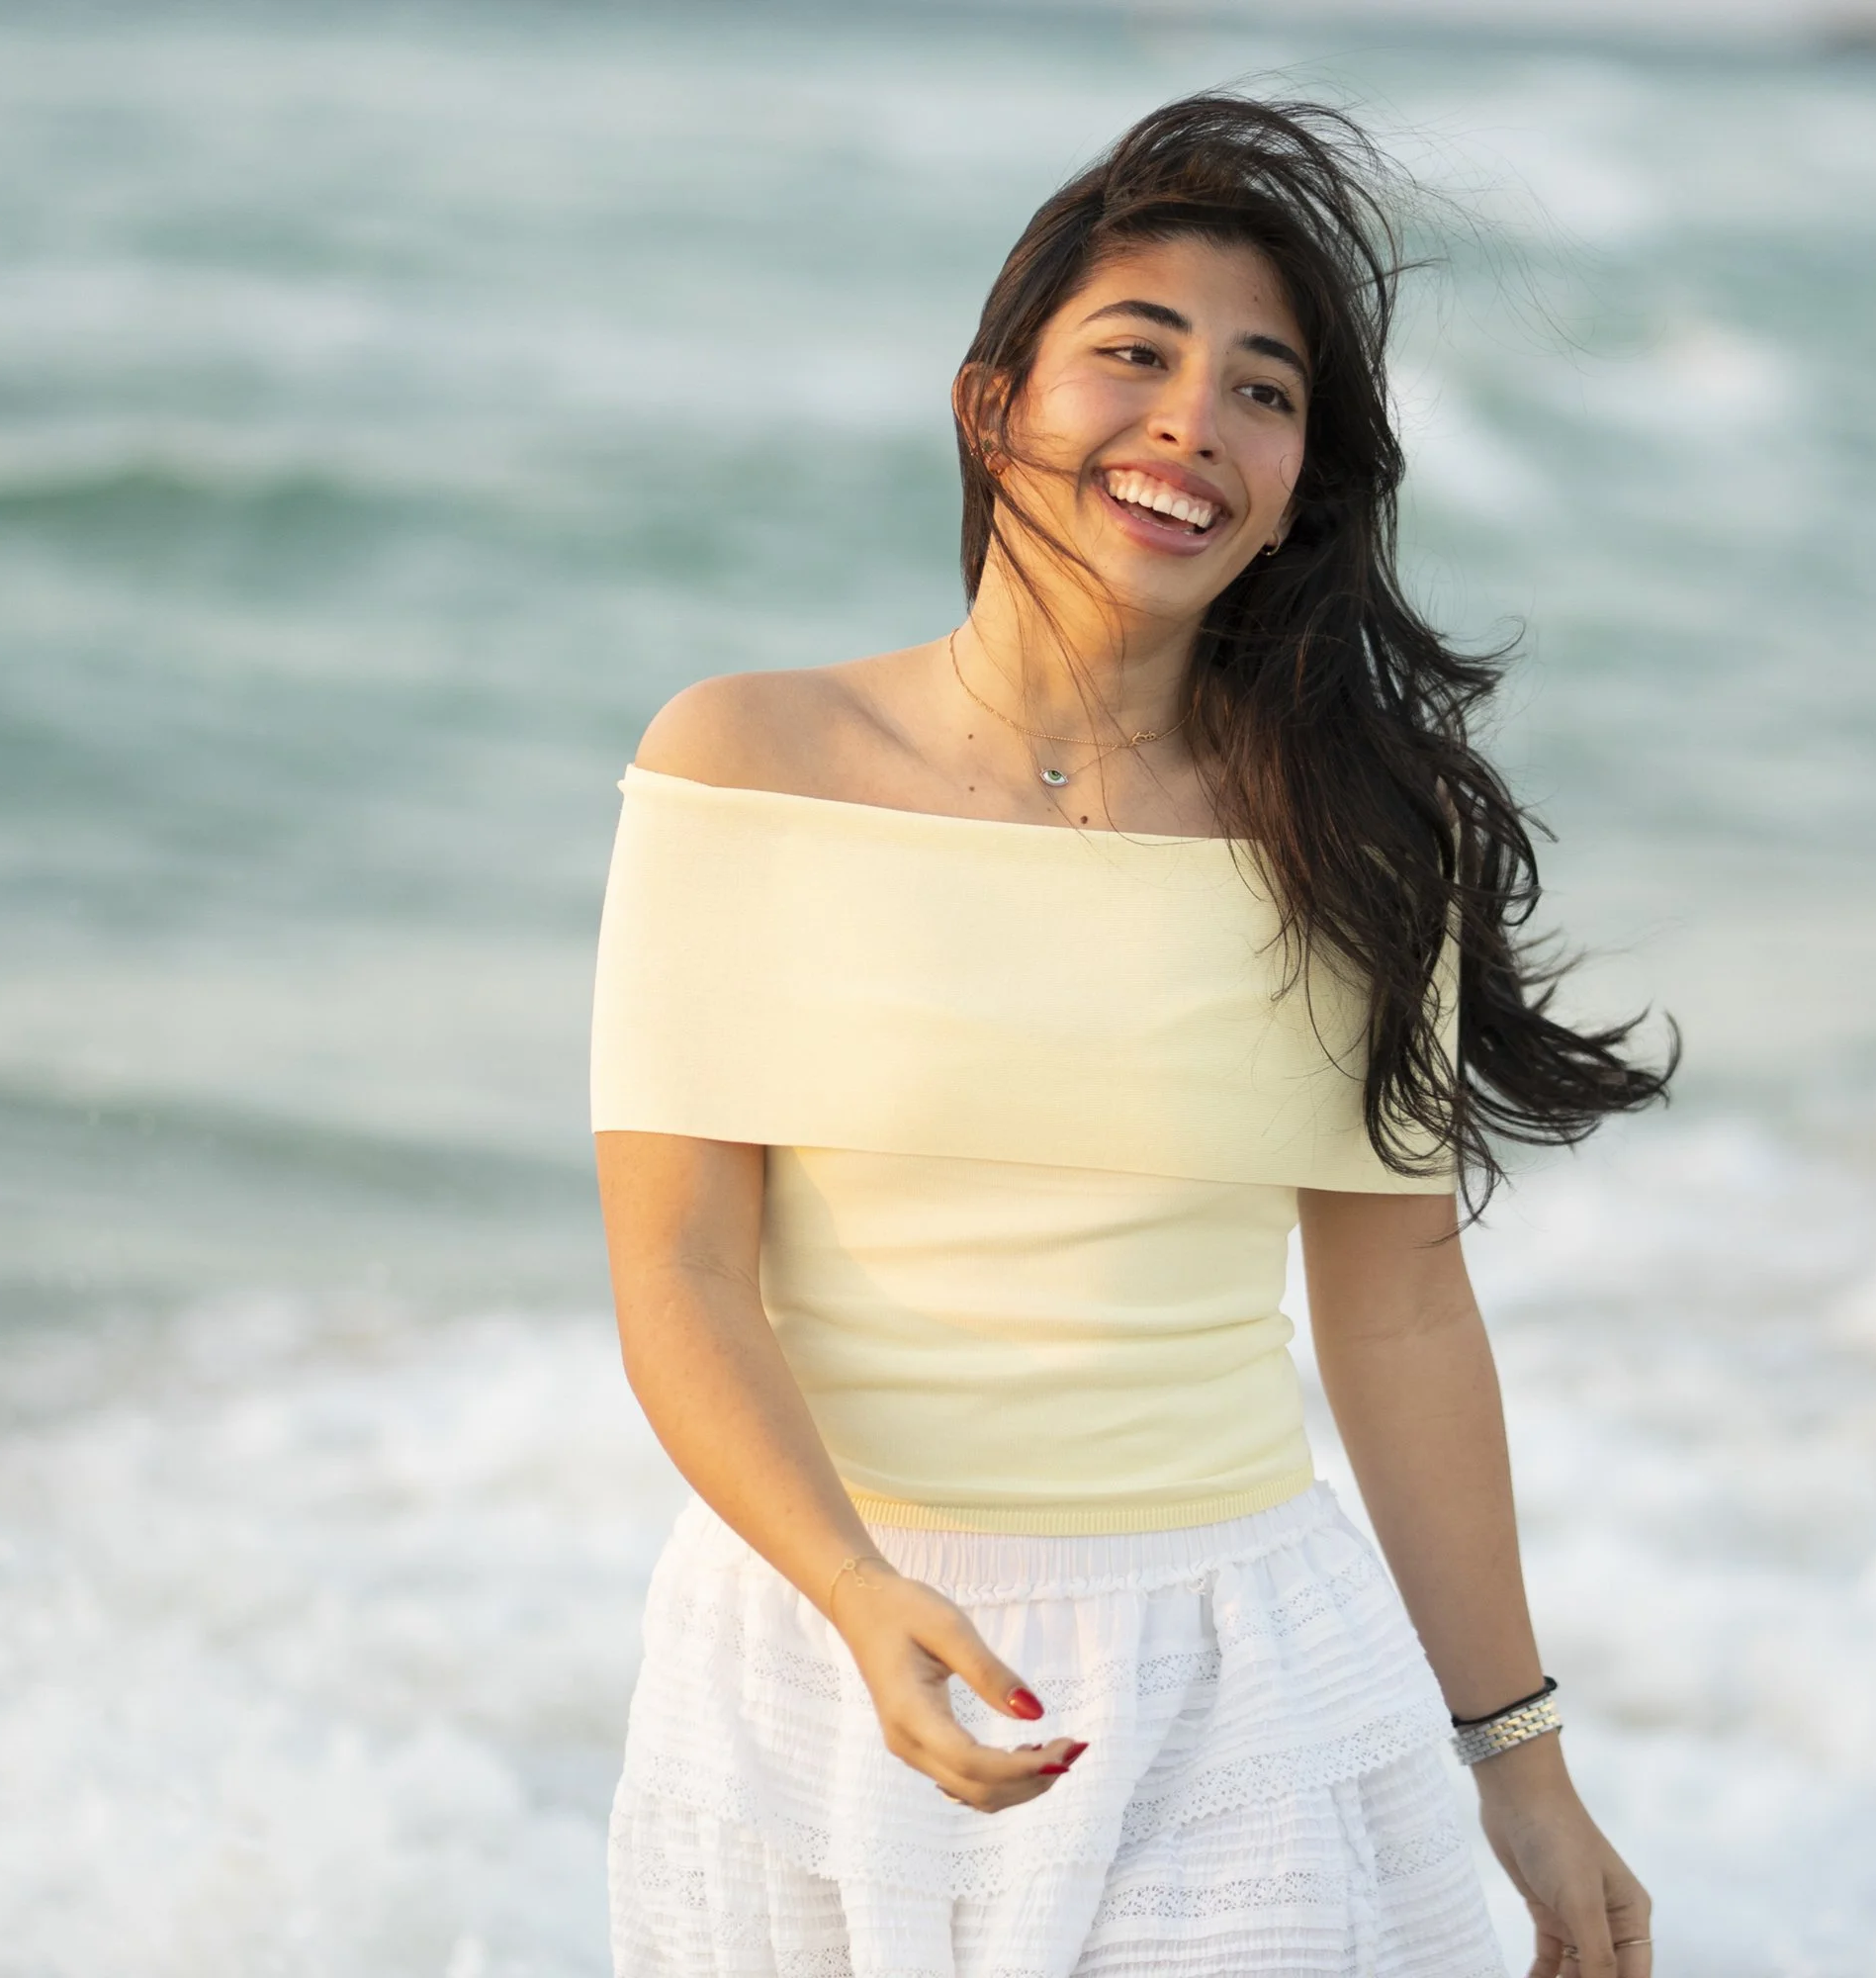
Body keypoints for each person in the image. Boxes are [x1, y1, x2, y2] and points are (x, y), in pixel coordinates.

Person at [588, 92, 1672, 1978]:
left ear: (1297, 486)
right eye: (1136, 353)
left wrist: (1523, 1764)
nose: (1192, 421)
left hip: (1236, 1674)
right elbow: (680, 1271)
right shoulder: (747, 765)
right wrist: (853, 1589)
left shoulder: (1360, 840)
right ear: (989, 406)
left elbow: (1404, 1320)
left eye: (1263, 389)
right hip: (813, 1661)